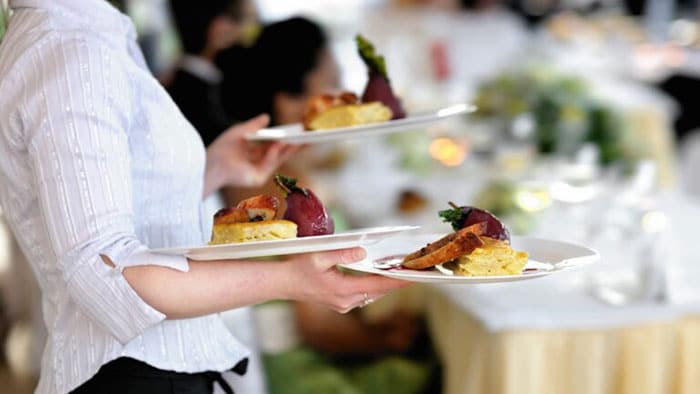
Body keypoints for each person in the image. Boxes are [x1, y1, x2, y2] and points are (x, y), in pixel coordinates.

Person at [0, 1, 409, 393]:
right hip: (135, 377)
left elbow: (113, 213)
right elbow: (107, 271)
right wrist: (290, 279)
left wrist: (213, 168)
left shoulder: (90, 34)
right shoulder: (70, 52)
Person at [218, 17, 439, 394]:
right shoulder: (292, 192)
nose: (347, 98)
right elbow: (320, 327)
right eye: (333, 88)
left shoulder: (243, 177)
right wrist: (387, 339)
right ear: (289, 102)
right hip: (310, 375)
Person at [167, 0, 258, 146]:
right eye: (243, 19)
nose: (249, 29)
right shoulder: (195, 93)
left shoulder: (180, 81)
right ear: (219, 26)